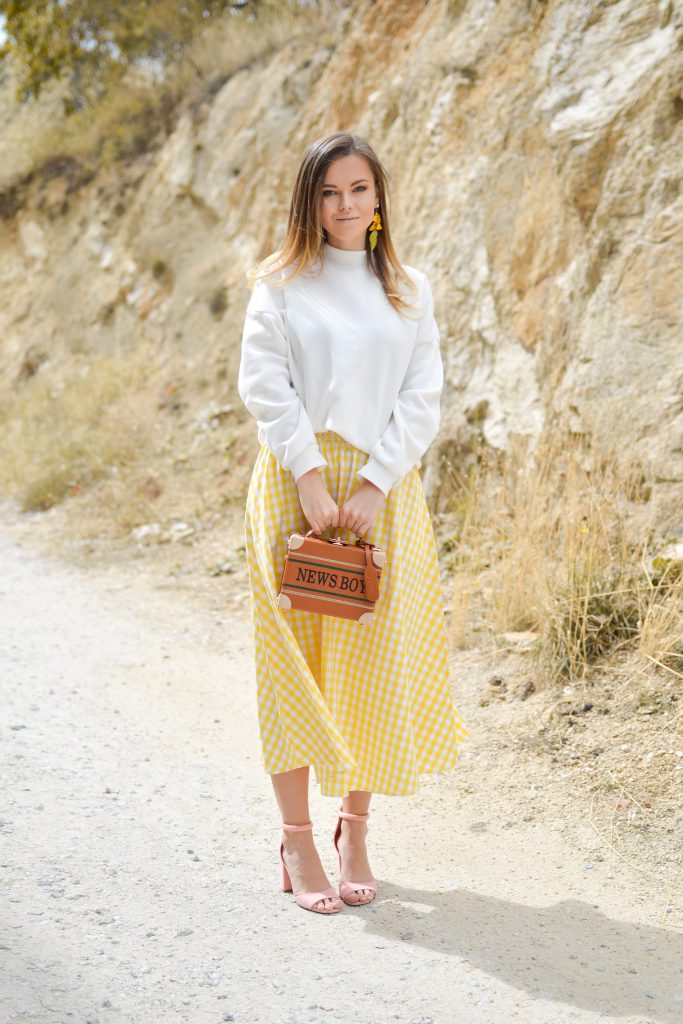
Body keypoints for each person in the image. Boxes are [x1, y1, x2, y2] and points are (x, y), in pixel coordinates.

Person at [237, 131, 469, 915]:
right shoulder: (279, 283)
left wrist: (373, 482)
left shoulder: (406, 287)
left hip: (380, 492)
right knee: (291, 665)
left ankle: (355, 829)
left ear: (378, 198)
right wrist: (307, 473)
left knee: (373, 668)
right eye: (328, 192)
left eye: (358, 190)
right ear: (309, 200)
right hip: (290, 485)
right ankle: (296, 837)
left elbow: (421, 395)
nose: (343, 206)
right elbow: (263, 382)